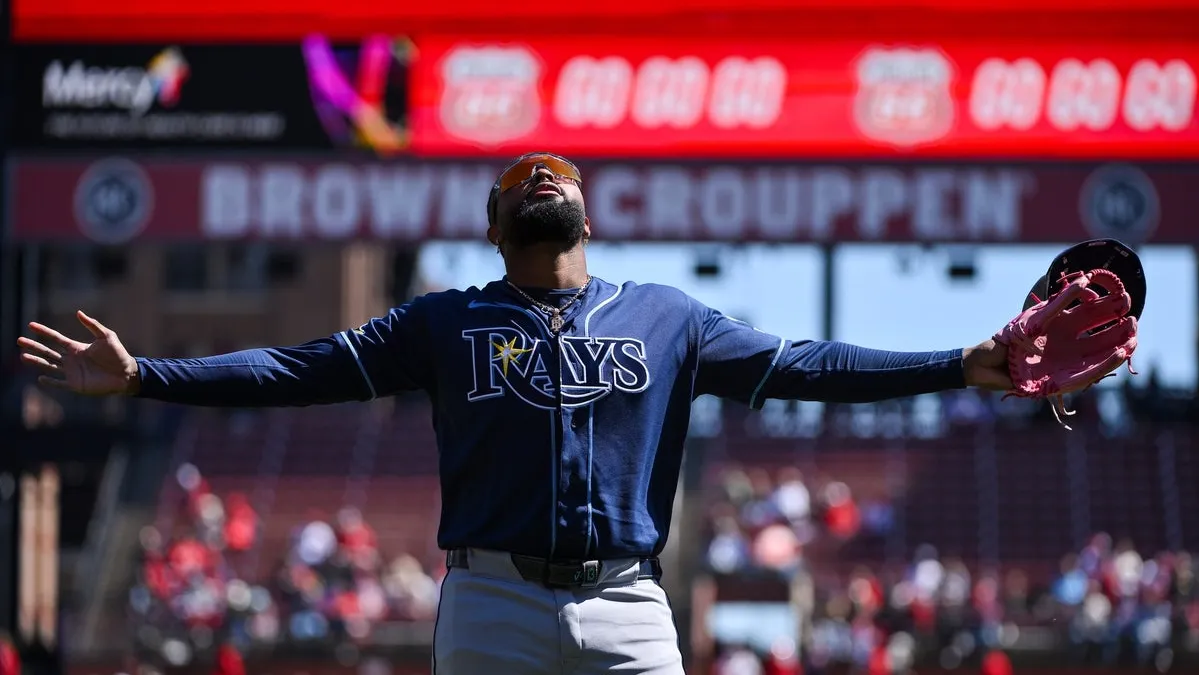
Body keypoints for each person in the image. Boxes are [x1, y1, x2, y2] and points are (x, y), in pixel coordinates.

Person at [17, 151, 1013, 675]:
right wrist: (147, 374)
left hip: (627, 603)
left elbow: (812, 366)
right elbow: (294, 367)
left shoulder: (668, 318)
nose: (539, 180)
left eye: (555, 176)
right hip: (491, 599)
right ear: (493, 230)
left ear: (587, 215)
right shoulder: (443, 320)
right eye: (517, 184)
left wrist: (960, 365)